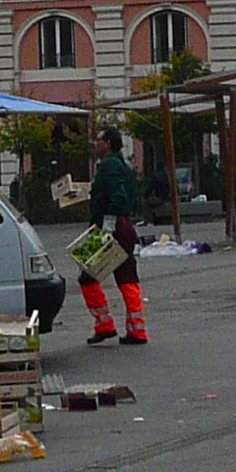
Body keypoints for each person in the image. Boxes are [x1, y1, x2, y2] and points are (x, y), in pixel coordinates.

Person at [81, 129, 148, 347]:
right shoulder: (124, 165)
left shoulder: (109, 166)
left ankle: (104, 324)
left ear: (107, 144)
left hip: (110, 227)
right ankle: (137, 330)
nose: (95, 144)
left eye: (98, 140)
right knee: (127, 277)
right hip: (125, 226)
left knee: (87, 277)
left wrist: (107, 225)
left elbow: (118, 195)